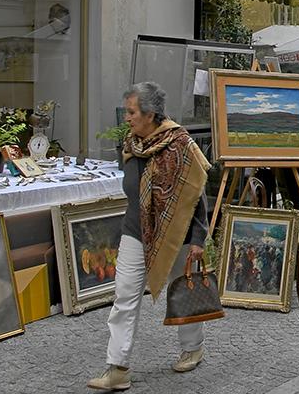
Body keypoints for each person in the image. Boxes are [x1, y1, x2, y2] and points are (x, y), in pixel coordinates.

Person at [88, 82, 210, 391]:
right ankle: (118, 368)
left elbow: (197, 193)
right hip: (135, 230)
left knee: (182, 291)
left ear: (150, 114)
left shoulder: (180, 143)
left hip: (177, 233)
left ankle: (192, 347)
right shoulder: (132, 143)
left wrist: (198, 238)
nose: (126, 118)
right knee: (124, 296)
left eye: (131, 112)